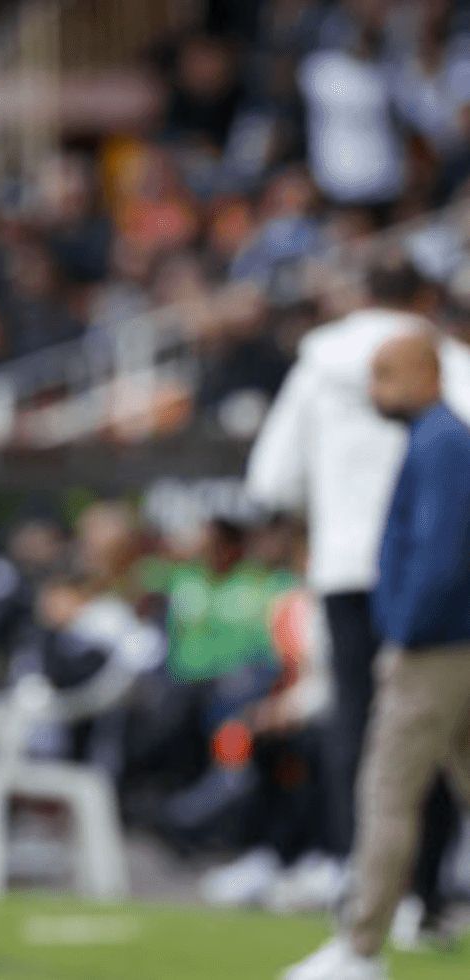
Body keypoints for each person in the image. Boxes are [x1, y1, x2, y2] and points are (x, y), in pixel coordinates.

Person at [245, 254, 470, 929]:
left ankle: (359, 884)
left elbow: (269, 481)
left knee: (364, 737)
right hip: (440, 578)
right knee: (430, 739)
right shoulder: (447, 361)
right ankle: (422, 897)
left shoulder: (318, 366)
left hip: (348, 571)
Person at [284, 332, 470, 980]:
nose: (375, 391)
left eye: (387, 375)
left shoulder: (442, 441)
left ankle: (359, 949)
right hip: (451, 646)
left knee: (387, 792)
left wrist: (404, 634)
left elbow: (439, 557)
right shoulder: (439, 438)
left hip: (434, 652)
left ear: (427, 373)